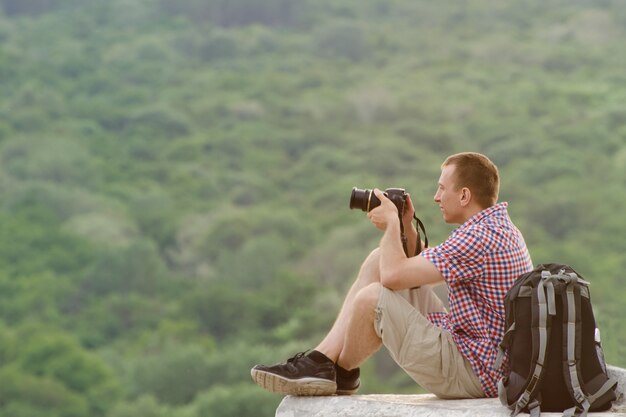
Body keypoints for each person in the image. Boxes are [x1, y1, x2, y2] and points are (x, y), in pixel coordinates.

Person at [250, 152, 533, 399]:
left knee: (373, 298)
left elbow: (394, 277)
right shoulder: (495, 227)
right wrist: (406, 227)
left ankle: (340, 372)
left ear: (464, 195)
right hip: (483, 357)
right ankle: (322, 361)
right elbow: (417, 268)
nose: (436, 197)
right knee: (377, 260)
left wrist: (390, 225)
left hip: (476, 371)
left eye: (442, 188)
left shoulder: (477, 238)